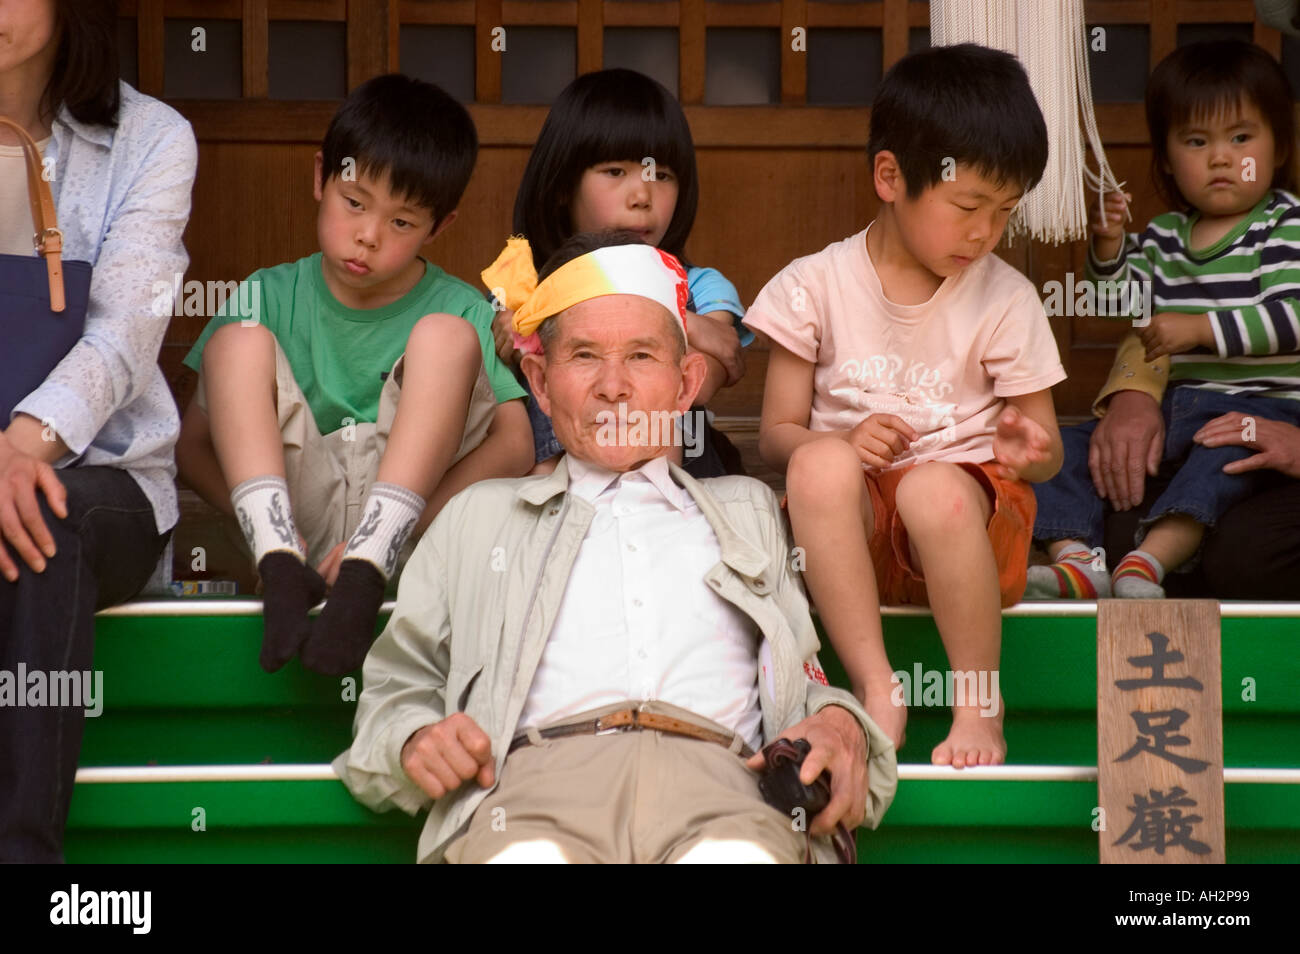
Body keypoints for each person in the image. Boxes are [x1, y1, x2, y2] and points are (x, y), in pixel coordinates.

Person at [334, 232, 897, 864]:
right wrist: (414, 740)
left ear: (685, 384)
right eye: (583, 356)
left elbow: (801, 678)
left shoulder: (746, 513)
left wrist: (841, 722)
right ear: (541, 384)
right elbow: (395, 689)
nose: (613, 386)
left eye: (640, 356)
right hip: (532, 790)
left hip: (725, 787)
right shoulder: (477, 518)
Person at [744, 44, 1066, 768]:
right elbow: (775, 436)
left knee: (931, 489)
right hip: (847, 545)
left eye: (1005, 212)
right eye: (967, 207)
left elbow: (1045, 450)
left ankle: (979, 702)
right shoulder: (814, 285)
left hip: (970, 535)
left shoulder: (1004, 297)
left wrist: (1031, 448)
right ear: (890, 176)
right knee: (820, 463)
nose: (985, 233)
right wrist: (840, 443)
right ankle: (875, 687)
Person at [176, 74, 533, 677]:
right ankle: (280, 563)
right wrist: (277, 543)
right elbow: (192, 445)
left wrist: (404, 529)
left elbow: (516, 443)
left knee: (447, 335)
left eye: (401, 222)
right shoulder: (267, 292)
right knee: (239, 336)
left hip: (410, 521)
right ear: (321, 178)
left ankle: (369, 566)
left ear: (439, 227)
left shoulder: (464, 305)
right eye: (355, 202)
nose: (368, 235)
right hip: (289, 518)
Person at [0, 0, 196, 861]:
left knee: (45, 515)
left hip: (103, 475)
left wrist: (19, 447)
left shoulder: (152, 139)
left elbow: (124, 333)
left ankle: (25, 852)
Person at [1026, 40, 1300, 600]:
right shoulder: (1165, 236)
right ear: (1169, 158)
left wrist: (1197, 329)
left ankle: (1147, 562)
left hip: (1256, 411)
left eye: (1241, 138)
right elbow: (1117, 302)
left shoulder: (1284, 225)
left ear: (1280, 146)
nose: (1220, 157)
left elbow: (1291, 316)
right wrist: (1108, 247)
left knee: (1221, 458)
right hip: (1177, 410)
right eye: (1196, 142)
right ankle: (1077, 557)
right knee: (1055, 447)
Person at [483, 68, 749, 479]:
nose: (642, 196)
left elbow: (702, 381)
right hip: (551, 480)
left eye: (661, 176)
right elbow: (506, 371)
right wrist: (688, 326)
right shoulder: (522, 283)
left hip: (672, 481)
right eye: (615, 173)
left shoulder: (702, 286)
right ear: (562, 187)